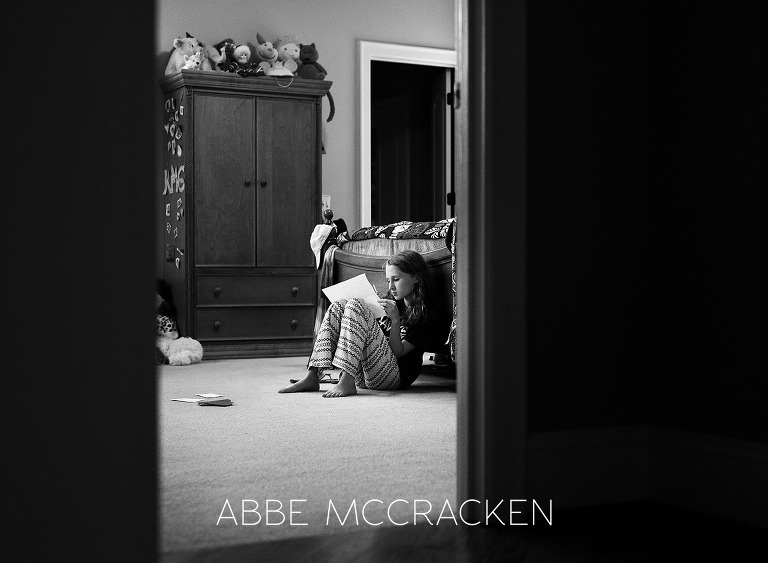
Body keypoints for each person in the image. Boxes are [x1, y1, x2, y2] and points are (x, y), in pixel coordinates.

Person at [278, 249, 442, 397]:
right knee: (339, 305)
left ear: (416, 277)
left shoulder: (429, 315)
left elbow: (398, 353)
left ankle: (347, 381)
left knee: (357, 305)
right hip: (364, 374)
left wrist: (395, 319)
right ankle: (312, 375)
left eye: (396, 279)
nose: (391, 286)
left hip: (393, 377)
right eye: (388, 280)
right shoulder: (393, 301)